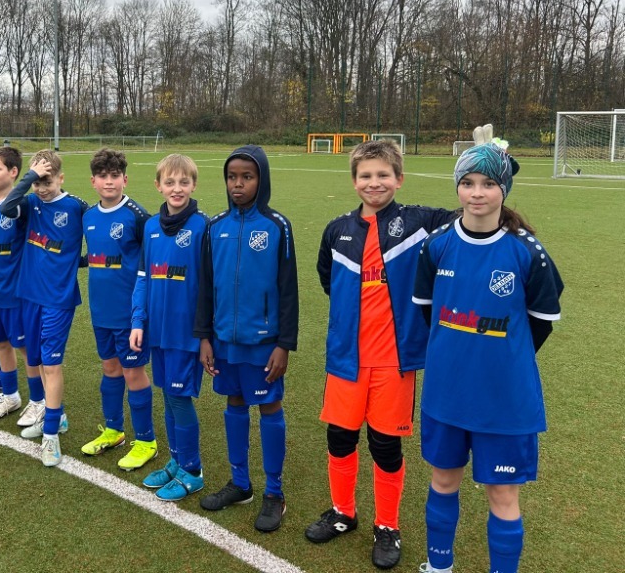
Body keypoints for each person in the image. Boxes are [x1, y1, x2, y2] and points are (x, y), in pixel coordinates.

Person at [413, 140, 563, 573]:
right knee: (443, 480)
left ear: (504, 189)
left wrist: (501, 358)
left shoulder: (527, 251)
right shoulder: (437, 245)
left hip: (504, 399)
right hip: (447, 393)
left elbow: (540, 323)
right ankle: (439, 565)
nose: (477, 193)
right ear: (457, 187)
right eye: (468, 182)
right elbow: (427, 312)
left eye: (488, 183)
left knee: (503, 494)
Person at [307, 139, 455, 569]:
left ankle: (387, 525)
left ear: (399, 179)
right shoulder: (337, 229)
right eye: (366, 176)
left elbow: (471, 217)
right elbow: (327, 278)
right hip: (346, 358)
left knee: (385, 445)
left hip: (393, 362)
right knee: (340, 437)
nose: (375, 183)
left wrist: (492, 168)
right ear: (354, 181)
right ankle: (343, 512)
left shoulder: (420, 222)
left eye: (383, 175)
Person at [195, 145, 298, 533]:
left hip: (264, 342)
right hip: (224, 339)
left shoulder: (276, 226)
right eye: (232, 177)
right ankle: (240, 483)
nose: (238, 184)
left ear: (261, 180)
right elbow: (206, 287)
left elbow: (288, 290)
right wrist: (204, 337)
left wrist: (284, 344)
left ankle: (274, 492)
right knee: (234, 402)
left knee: (269, 406)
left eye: (247, 177)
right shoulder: (215, 226)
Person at [0, 150, 88, 467]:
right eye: (37, 182)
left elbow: (99, 240)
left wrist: (77, 262)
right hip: (28, 295)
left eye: (47, 181)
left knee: (51, 365)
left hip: (58, 300)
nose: (42, 188)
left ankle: (50, 436)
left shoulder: (76, 207)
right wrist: (30, 178)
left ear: (61, 178)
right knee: (35, 360)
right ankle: (56, 416)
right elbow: (6, 206)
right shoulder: (29, 202)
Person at [130, 154, 209, 501]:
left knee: (179, 398)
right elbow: (143, 277)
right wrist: (138, 321)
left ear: (193, 185)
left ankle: (193, 470)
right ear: (158, 186)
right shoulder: (150, 226)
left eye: (184, 182)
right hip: (157, 331)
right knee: (168, 396)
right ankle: (177, 462)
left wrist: (205, 333)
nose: (177, 189)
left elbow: (209, 285)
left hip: (185, 332)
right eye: (170, 182)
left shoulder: (203, 226)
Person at [81, 148, 158, 471]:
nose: (109, 182)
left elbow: (151, 260)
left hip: (130, 313)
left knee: (133, 372)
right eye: (103, 176)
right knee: (110, 368)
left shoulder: (138, 217)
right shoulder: (88, 216)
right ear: (93, 181)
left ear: (125, 179)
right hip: (101, 310)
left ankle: (146, 441)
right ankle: (114, 430)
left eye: (115, 176)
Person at [0, 146, 40, 421]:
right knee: (1, 343)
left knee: (25, 348)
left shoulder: (22, 205)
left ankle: (39, 401)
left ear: (13, 172)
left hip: (16, 292)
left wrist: (32, 175)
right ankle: (11, 395)